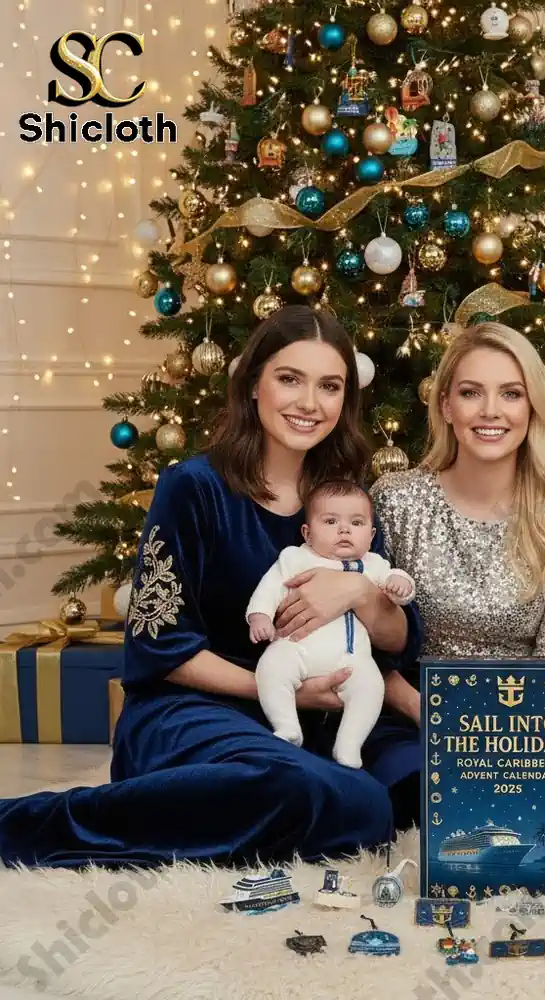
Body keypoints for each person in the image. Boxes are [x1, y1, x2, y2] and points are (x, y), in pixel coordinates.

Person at [0, 305, 424, 868]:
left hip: (318, 718)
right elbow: (160, 646)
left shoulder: (344, 497)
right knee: (345, 802)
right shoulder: (192, 487)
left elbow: (397, 641)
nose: (309, 403)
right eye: (289, 379)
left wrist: (360, 595)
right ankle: (32, 825)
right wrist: (282, 690)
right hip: (190, 712)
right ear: (253, 385)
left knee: (418, 785)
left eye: (330, 386)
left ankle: (277, 796)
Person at [369, 322, 545, 713]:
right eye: (471, 393)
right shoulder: (395, 500)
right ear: (446, 405)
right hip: (408, 717)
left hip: (525, 728)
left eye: (511, 394)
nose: (490, 411)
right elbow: (361, 643)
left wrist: (499, 736)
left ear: (531, 408)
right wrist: (429, 714)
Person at [248, 479, 416, 767]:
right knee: (271, 668)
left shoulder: (374, 565)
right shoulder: (296, 558)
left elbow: (398, 589)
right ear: (307, 532)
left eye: (357, 523)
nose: (344, 530)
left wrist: (401, 585)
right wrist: (260, 616)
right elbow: (269, 587)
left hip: (351, 659)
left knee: (370, 687)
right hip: (296, 648)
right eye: (330, 521)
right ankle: (287, 725)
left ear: (371, 533)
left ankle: (349, 745)